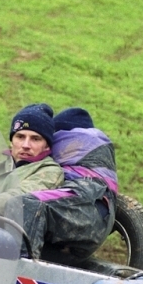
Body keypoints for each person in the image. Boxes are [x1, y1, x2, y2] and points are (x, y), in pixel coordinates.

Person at [20, 107, 118, 262]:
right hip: (100, 215)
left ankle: (19, 270)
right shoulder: (98, 150)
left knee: (28, 204)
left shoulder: (75, 142)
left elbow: (30, 159)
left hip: (84, 203)